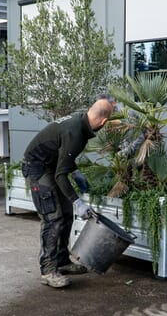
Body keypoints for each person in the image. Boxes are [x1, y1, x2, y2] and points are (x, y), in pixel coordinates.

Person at [22, 96, 115, 288]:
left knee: (66, 215)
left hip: (50, 165)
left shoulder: (79, 121)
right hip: (37, 168)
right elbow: (60, 176)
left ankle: (62, 261)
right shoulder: (75, 133)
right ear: (104, 122)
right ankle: (48, 270)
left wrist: (76, 172)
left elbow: (63, 155)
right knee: (53, 218)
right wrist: (77, 201)